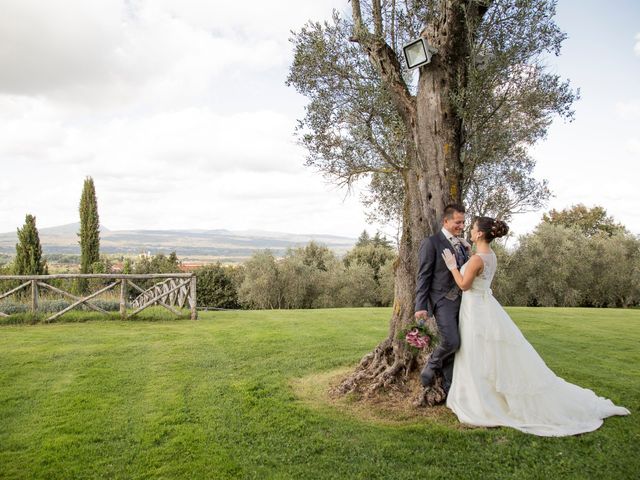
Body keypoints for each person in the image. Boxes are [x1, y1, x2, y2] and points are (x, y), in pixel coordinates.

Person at [442, 216, 630, 436]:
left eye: (472, 229)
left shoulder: (475, 260)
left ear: (480, 234)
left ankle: (481, 400)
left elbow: (464, 285)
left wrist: (453, 267)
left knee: (477, 352)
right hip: (485, 307)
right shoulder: (490, 255)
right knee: (487, 352)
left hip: (475, 310)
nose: (470, 232)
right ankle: (487, 394)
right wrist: (466, 249)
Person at [415, 203, 470, 394]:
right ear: (445, 221)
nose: (461, 226)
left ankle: (449, 389)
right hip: (442, 300)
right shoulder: (431, 243)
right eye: (457, 222)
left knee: (457, 346)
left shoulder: (461, 244)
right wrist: (420, 306)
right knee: (452, 341)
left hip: (463, 302)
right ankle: (431, 366)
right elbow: (423, 276)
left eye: (463, 222)